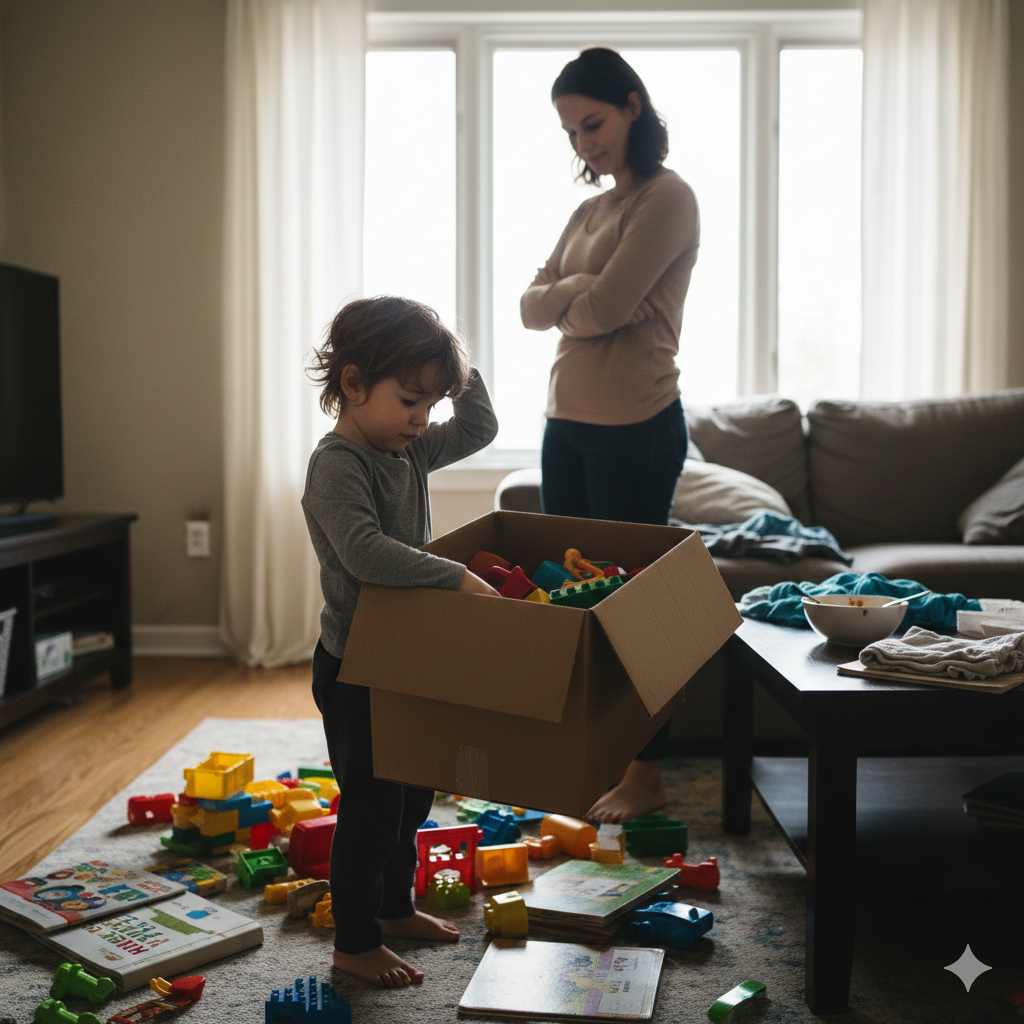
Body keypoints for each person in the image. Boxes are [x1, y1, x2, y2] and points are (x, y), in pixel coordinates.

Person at [520, 47, 700, 824]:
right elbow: (528, 306)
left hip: (636, 425)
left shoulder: (668, 198)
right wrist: (574, 291)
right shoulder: (588, 211)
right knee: (570, 602)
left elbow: (606, 310)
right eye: (569, 131)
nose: (582, 142)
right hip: (566, 423)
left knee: (633, 610)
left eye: (591, 122)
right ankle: (595, 762)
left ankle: (647, 777)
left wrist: (571, 295)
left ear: (632, 105)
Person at [302, 295, 500, 988]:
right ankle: (354, 943)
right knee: (371, 809)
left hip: (409, 659)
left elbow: (480, 425)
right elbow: (366, 552)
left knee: (414, 799)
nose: (422, 419)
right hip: (357, 666)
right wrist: (458, 580)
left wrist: (453, 363)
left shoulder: (406, 445)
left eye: (430, 401)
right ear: (353, 385)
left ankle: (392, 909)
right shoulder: (339, 464)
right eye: (410, 399)